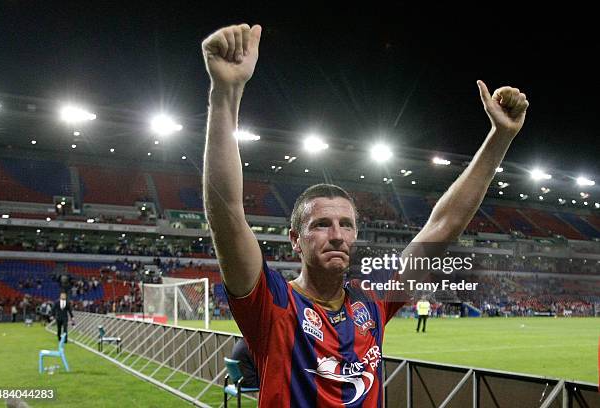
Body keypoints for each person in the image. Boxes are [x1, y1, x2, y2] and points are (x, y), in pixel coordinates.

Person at [202, 23, 529, 407]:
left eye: (346, 224)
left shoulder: (373, 303)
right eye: (320, 224)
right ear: (295, 239)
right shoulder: (270, 306)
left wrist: (500, 138)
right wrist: (225, 94)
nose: (337, 234)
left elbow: (443, 225)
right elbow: (226, 213)